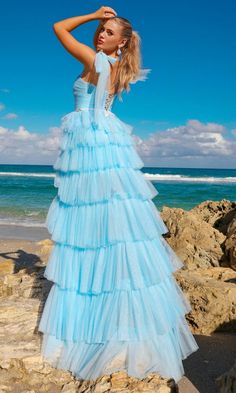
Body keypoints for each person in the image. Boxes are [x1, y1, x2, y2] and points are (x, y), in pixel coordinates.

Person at [38, 6, 199, 383]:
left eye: (108, 31)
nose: (101, 34)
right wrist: (102, 25)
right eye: (101, 29)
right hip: (105, 140)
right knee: (111, 225)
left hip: (91, 145)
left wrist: (92, 13)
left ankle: (99, 314)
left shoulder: (95, 59)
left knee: (88, 223)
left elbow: (58, 27)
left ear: (122, 41)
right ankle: (116, 306)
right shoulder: (117, 65)